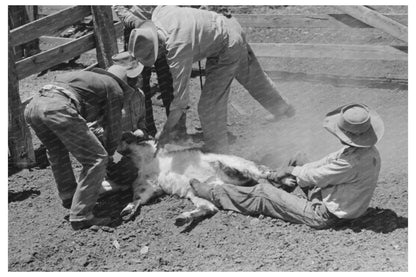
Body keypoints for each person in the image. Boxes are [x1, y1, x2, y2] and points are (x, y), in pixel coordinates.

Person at [128, 5, 295, 153]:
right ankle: (281, 107)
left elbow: (180, 102)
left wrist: (165, 132)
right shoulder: (160, 12)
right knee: (251, 76)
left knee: (208, 106)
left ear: (161, 47)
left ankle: (219, 153)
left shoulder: (178, 51)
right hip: (229, 24)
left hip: (226, 46)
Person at [190, 103, 384, 229]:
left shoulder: (353, 162)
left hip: (326, 214)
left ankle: (214, 194)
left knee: (265, 193)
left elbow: (318, 177)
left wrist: (290, 171)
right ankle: (279, 188)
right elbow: (326, 163)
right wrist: (289, 170)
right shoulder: (367, 152)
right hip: (335, 198)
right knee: (299, 158)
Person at [24, 54, 143, 230]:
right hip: (58, 106)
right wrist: (110, 157)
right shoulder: (114, 89)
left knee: (57, 152)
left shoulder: (92, 80)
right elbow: (114, 128)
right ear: (126, 83)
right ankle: (81, 215)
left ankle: (68, 195)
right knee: (96, 159)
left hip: (34, 106)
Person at [113, 5, 185, 138]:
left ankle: (177, 132)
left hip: (163, 30)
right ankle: (147, 132)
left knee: (170, 82)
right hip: (138, 33)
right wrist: (137, 23)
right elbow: (119, 6)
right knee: (140, 84)